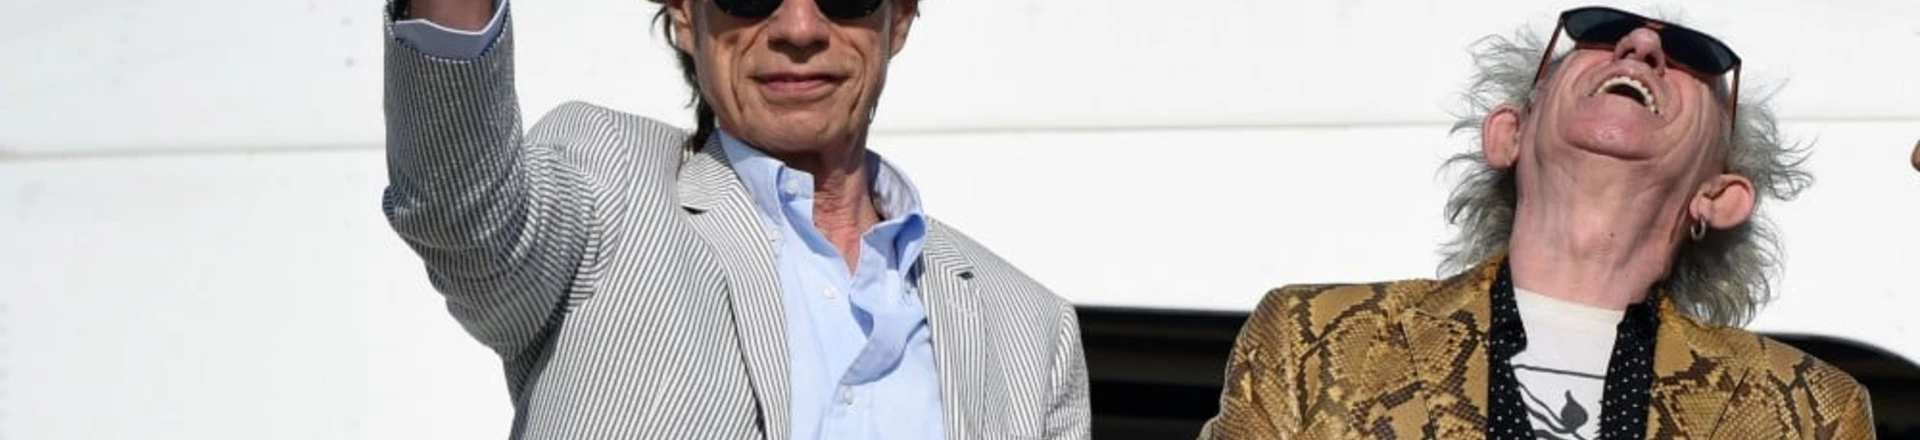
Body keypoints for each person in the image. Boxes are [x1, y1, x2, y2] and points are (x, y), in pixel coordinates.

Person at [379, 0, 1089, 439]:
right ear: (685, 13)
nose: (799, 27)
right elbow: (462, 211)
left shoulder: (1027, 325)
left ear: (898, 16)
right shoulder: (610, 183)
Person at [1199, 6, 1873, 439]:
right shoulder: (1312, 340)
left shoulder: (1809, 410)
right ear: (1509, 134)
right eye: (1596, 37)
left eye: (1696, 54)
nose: (1638, 45)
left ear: (1719, 196)